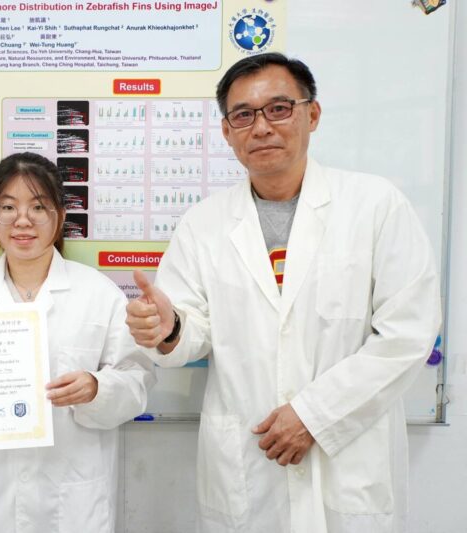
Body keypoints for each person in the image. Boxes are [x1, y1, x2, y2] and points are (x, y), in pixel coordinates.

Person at [125, 53, 441, 533]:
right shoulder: (203, 224)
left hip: (348, 461)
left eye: (278, 108)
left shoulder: (376, 206)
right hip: (249, 464)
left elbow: (407, 334)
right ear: (227, 131)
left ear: (312, 114)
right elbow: (190, 330)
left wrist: (314, 415)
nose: (261, 127)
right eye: (243, 115)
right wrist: (169, 329)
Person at [0, 151, 155, 533]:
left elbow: (136, 383)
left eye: (38, 207)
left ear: (60, 215)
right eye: (8, 207)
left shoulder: (98, 294)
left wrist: (96, 388)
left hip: (72, 503)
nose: (22, 220)